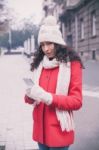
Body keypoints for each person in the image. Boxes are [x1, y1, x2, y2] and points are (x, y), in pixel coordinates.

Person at [24, 15, 83, 150]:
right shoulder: (39, 64)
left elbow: (77, 101)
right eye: (43, 45)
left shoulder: (72, 64)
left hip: (59, 132)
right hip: (40, 131)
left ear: (58, 43)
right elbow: (30, 100)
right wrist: (30, 94)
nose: (46, 49)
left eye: (50, 43)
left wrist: (48, 97)